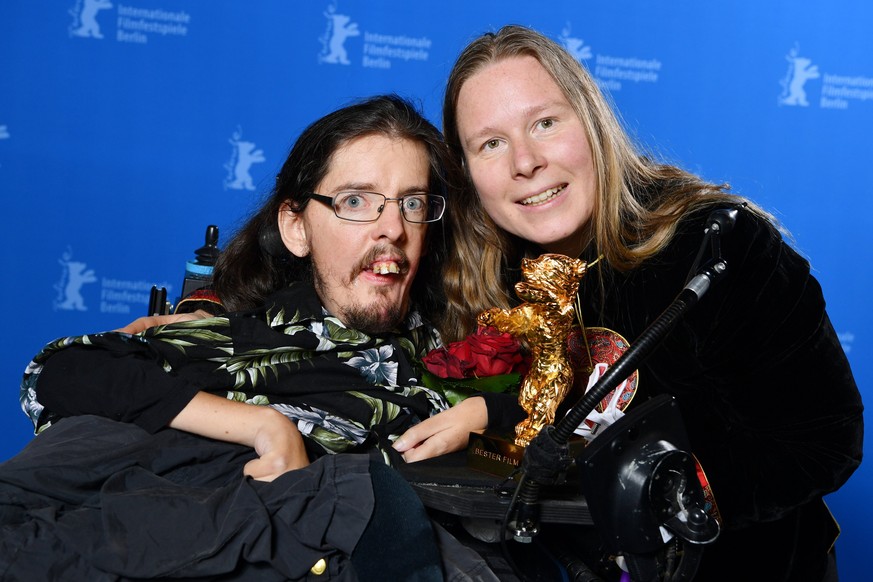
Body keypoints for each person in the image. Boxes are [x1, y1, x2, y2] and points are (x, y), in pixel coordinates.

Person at [393, 25, 864, 582]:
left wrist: (664, 497)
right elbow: (550, 439)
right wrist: (487, 420)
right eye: (490, 143)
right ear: (466, 172)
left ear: (591, 123)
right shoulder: (484, 278)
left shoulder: (715, 248)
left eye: (544, 123)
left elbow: (823, 439)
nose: (525, 162)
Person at [7, 94, 501, 581]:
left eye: (411, 203)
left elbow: (559, 416)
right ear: (296, 228)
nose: (392, 227)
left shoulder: (460, 361)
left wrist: (490, 414)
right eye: (355, 201)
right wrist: (261, 426)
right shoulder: (234, 335)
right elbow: (61, 373)